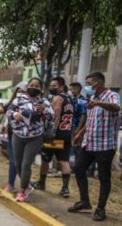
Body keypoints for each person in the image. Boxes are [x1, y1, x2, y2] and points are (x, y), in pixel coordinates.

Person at [68, 72, 120, 221]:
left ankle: (100, 209)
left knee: (104, 177)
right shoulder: (92, 98)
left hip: (105, 145)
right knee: (78, 169)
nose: (87, 87)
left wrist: (99, 103)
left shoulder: (111, 95)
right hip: (89, 142)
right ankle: (85, 201)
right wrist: (80, 134)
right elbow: (91, 120)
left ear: (98, 83)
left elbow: (116, 107)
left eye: (89, 83)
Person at [7, 77, 54, 202]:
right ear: (27, 86)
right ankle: (27, 186)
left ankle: (22, 191)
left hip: (35, 137)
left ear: (41, 89)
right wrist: (14, 114)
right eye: (31, 85)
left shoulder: (44, 102)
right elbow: (9, 111)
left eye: (37, 86)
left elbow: (51, 117)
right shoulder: (19, 99)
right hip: (18, 134)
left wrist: (45, 110)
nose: (34, 87)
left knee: (26, 164)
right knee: (17, 163)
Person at [31, 77, 73, 198]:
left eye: (54, 86)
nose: (51, 88)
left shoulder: (57, 98)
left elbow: (56, 116)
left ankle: (41, 182)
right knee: (64, 161)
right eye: (51, 85)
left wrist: (51, 132)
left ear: (61, 86)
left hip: (56, 135)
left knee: (45, 158)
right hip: (67, 133)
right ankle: (65, 189)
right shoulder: (69, 98)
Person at [0, 82, 27, 193]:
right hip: (12, 136)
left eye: (23, 91)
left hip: (25, 138)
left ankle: (24, 184)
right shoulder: (12, 104)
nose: (20, 93)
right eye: (18, 91)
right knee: (14, 161)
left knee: (20, 162)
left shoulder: (30, 105)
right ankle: (12, 184)